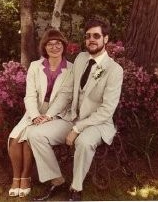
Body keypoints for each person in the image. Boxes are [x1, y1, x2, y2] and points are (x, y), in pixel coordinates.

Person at [29, 18, 123, 201]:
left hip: (98, 123)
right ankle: (57, 181)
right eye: (88, 36)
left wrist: (77, 129)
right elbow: (67, 92)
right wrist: (49, 115)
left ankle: (76, 188)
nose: (91, 40)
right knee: (35, 134)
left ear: (106, 39)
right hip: (72, 118)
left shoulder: (114, 70)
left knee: (84, 142)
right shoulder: (80, 58)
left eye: (96, 35)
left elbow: (107, 110)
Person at [7, 28, 73, 197]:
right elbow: (30, 95)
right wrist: (36, 115)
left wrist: (48, 116)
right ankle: (17, 179)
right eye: (50, 44)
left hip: (58, 113)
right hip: (34, 110)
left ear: (64, 46)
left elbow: (64, 97)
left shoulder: (71, 69)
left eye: (58, 43)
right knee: (15, 139)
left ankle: (26, 178)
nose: (54, 47)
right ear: (44, 47)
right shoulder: (35, 66)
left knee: (30, 136)